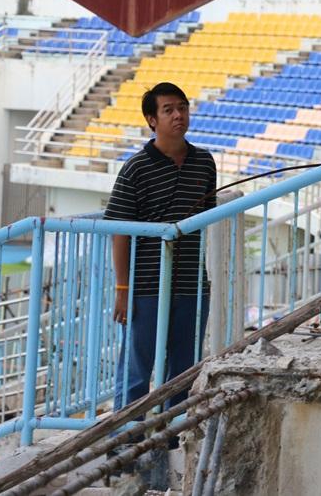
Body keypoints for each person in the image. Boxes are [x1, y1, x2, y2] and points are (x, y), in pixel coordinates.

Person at [105, 82, 217, 410]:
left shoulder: (204, 162)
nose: (178, 115)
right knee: (137, 372)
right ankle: (127, 435)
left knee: (183, 371)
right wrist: (123, 289)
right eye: (168, 110)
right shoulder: (135, 168)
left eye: (182, 108)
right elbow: (119, 231)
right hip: (146, 287)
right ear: (152, 120)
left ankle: (172, 433)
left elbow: (206, 215)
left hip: (192, 284)